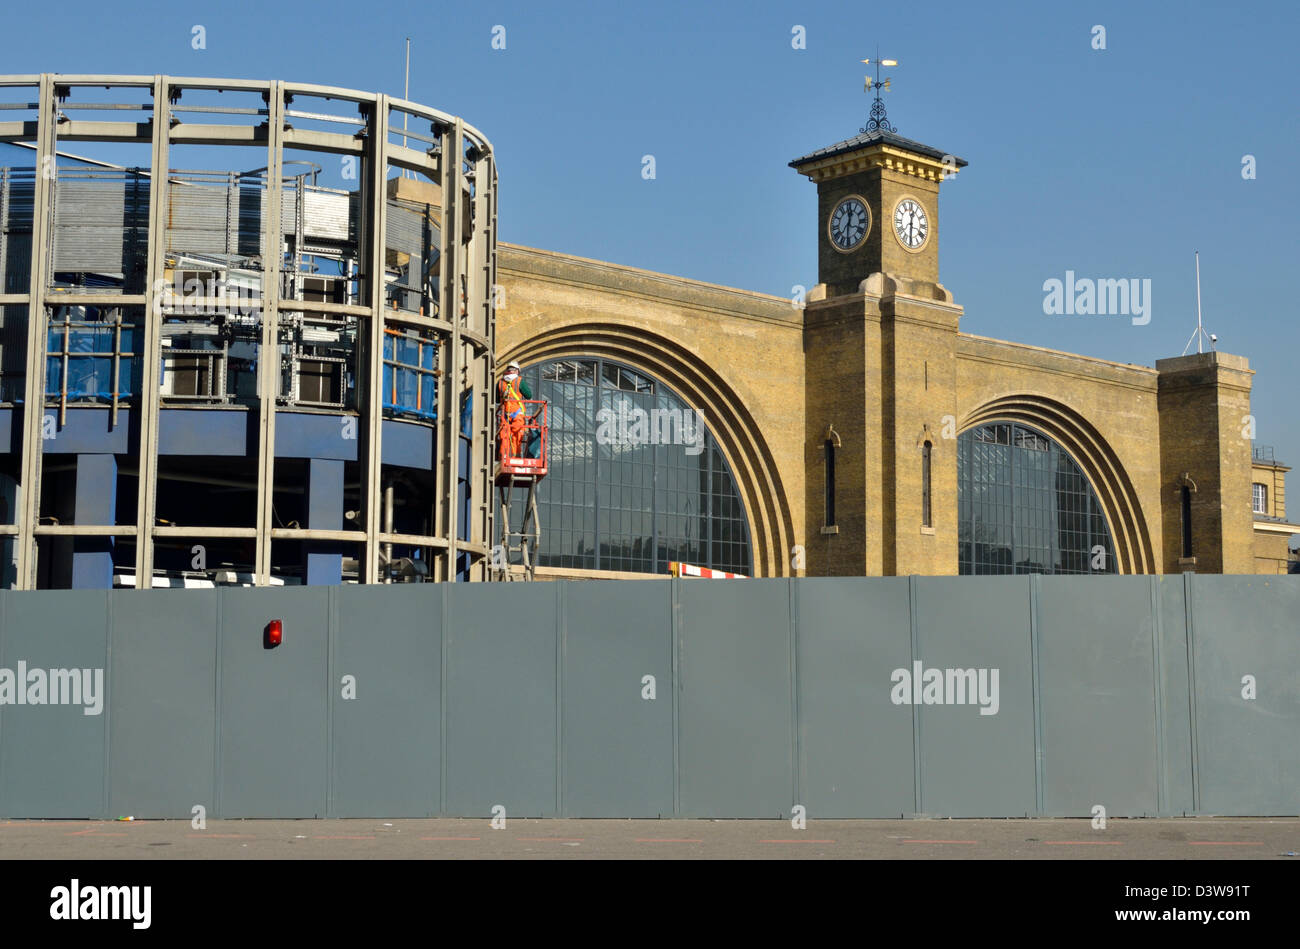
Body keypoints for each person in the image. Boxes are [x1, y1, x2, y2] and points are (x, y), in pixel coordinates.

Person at [497, 360, 532, 461]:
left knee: (505, 437)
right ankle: (516, 458)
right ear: (516, 371)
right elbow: (529, 395)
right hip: (517, 414)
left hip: (505, 414)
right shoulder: (519, 381)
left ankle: (504, 457)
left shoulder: (500, 382)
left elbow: (495, 399)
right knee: (517, 436)